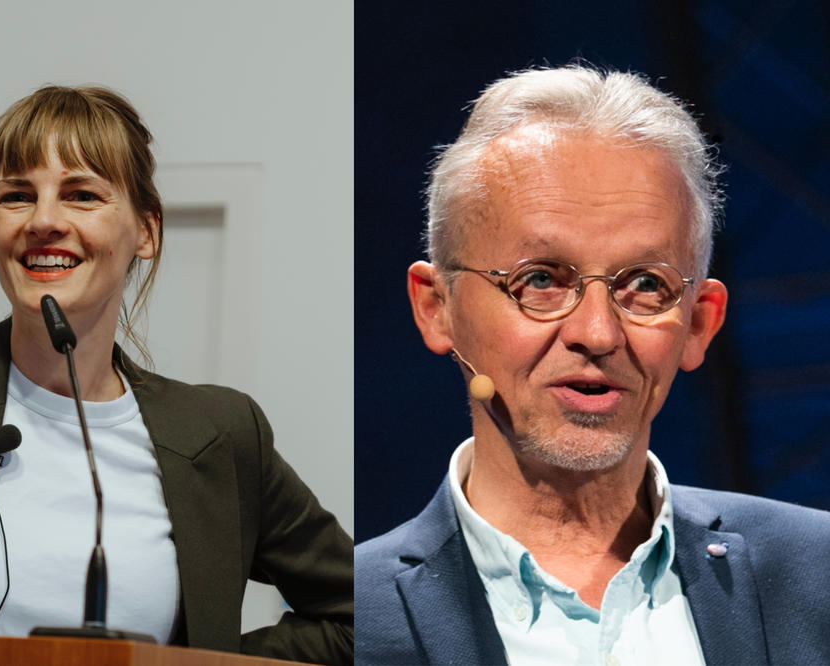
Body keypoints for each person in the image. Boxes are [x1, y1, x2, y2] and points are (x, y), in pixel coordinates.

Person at [0, 85, 353, 665]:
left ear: (147, 232)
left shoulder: (224, 435)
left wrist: (193, 663)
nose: (43, 220)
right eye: (16, 196)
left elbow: (355, 615)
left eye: (81, 195)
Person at [355, 65, 830, 665]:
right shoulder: (352, 619)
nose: (597, 333)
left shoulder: (817, 577)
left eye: (646, 284)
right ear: (436, 307)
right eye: (540, 280)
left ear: (699, 324)